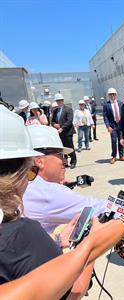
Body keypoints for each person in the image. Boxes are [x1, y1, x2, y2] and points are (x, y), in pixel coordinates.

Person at [0, 105, 93, 299]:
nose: (64, 162)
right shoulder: (20, 233)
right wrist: (89, 248)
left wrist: (57, 241)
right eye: (29, 172)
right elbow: (73, 291)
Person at [23, 125, 107, 234]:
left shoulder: (22, 182)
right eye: (60, 155)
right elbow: (100, 208)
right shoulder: (47, 193)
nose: (65, 162)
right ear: (39, 161)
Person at [51, 93, 77, 169]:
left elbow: (69, 121)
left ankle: (73, 161)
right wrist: (54, 124)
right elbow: (52, 121)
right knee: (62, 148)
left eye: (60, 100)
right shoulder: (55, 111)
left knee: (70, 147)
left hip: (67, 132)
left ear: (63, 100)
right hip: (59, 133)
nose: (59, 102)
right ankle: (65, 162)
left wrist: (61, 128)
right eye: (57, 101)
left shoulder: (68, 109)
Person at [103, 88, 124, 164]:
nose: (112, 95)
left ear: (116, 95)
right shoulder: (106, 105)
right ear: (109, 95)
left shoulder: (120, 103)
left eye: (113, 94)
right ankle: (114, 156)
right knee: (114, 141)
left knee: (121, 141)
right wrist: (108, 126)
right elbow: (105, 116)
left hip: (121, 126)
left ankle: (121, 156)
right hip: (112, 126)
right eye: (111, 94)